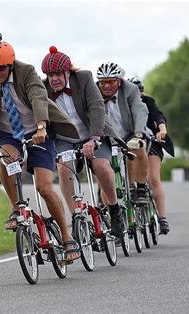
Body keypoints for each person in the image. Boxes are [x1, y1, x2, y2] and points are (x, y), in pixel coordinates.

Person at [0, 34, 81, 263]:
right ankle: (16, 208)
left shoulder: (26, 71)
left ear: (10, 65)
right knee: (5, 159)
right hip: (9, 133)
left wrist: (41, 126)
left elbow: (39, 96)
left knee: (44, 188)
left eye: (0, 68)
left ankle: (68, 238)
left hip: (37, 131)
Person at [41, 48, 124, 237]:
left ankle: (114, 209)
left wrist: (94, 138)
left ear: (67, 72)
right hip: (65, 139)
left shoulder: (84, 78)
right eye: (50, 75)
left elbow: (97, 107)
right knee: (63, 168)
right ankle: (76, 217)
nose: (54, 79)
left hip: (93, 133)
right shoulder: (43, 89)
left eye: (57, 74)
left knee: (101, 166)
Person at [95, 64, 149, 208]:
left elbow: (140, 110)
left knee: (138, 147)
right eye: (102, 82)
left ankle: (141, 188)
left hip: (128, 132)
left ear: (119, 81)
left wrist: (138, 134)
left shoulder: (130, 89)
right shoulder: (93, 91)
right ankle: (112, 214)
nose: (106, 86)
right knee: (101, 164)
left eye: (111, 82)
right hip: (106, 137)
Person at [129, 77, 174, 234]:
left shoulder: (148, 101)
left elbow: (158, 117)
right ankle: (131, 219)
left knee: (153, 178)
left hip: (151, 142)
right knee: (130, 180)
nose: (137, 96)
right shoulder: (123, 104)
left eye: (139, 92)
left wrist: (162, 130)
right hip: (131, 144)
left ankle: (162, 218)